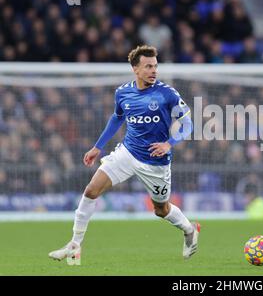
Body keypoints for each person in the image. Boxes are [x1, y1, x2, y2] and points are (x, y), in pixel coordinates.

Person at [49, 45, 200, 265]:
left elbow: (188, 124)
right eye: (148, 66)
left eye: (155, 66)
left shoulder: (167, 94)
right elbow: (117, 118)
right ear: (135, 69)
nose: (153, 70)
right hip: (127, 152)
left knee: (161, 209)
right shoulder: (123, 93)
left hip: (155, 161)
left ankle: (189, 229)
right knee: (91, 190)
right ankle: (74, 245)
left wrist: (170, 143)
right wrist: (97, 147)